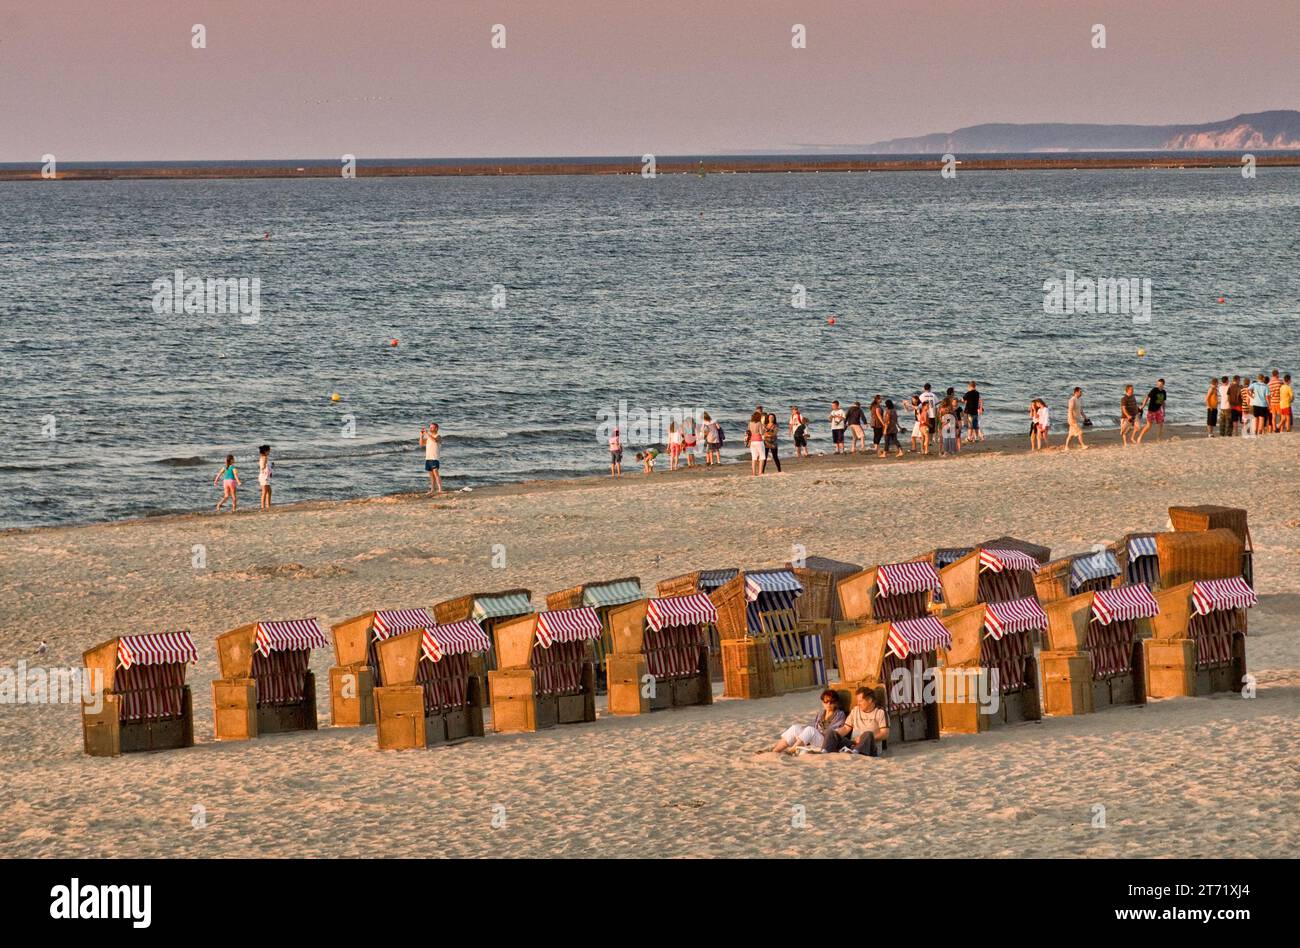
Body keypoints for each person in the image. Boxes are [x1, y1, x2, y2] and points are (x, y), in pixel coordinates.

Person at [767, 690, 846, 754]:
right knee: (795, 728)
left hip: (827, 741)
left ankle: (791, 750)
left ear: (836, 703)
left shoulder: (840, 714)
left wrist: (811, 734)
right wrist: (804, 736)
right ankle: (775, 750)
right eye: (826, 701)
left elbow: (833, 732)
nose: (828, 704)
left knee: (810, 730)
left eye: (831, 702)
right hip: (817, 738)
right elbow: (815, 727)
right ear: (823, 702)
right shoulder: (821, 714)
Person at [825, 687, 890, 756]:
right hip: (853, 744)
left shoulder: (880, 712)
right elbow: (846, 728)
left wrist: (863, 739)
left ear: (870, 700)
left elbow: (885, 734)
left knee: (868, 734)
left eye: (860, 701)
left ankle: (855, 752)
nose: (858, 703)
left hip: (870, 747)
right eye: (857, 701)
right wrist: (835, 736)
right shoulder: (855, 710)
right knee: (831, 732)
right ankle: (824, 751)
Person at [1137, 379, 1167, 443]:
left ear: (1163, 385)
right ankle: (1140, 437)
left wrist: (1164, 411)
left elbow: (1163, 402)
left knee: (1161, 424)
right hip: (1151, 410)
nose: (1159, 385)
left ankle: (1158, 439)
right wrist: (1143, 406)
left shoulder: (1164, 392)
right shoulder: (1154, 390)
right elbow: (1147, 397)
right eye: (1158, 384)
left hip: (1158, 410)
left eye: (1160, 384)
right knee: (1148, 425)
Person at [419, 423, 443, 494]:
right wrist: (422, 435)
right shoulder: (429, 438)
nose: (431, 429)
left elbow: (435, 440)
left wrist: (427, 433)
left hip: (434, 458)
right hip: (428, 458)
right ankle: (432, 489)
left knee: (436, 473)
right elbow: (421, 444)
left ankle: (440, 489)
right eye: (430, 427)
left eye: (432, 427)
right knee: (431, 475)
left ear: (436, 428)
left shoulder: (438, 436)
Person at [746, 410, 765, 476]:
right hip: (759, 441)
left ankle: (753, 473)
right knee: (762, 457)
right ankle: (760, 472)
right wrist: (764, 428)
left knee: (754, 458)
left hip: (752, 441)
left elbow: (748, 432)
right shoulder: (759, 423)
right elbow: (761, 432)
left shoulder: (750, 423)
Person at [257, 444, 274, 510]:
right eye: (269, 451)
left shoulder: (262, 457)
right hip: (264, 476)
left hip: (264, 476)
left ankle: (268, 505)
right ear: (265, 451)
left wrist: (270, 467)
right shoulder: (264, 458)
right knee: (265, 491)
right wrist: (269, 466)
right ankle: (263, 506)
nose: (269, 452)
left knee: (269, 491)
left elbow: (265, 467)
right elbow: (263, 467)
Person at [1267, 369, 1283, 433]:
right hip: (1279, 401)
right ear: (1277, 374)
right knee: (1281, 416)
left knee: (1273, 416)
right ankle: (1280, 429)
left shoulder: (1269, 384)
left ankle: (1274, 428)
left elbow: (1268, 394)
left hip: (1272, 402)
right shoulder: (1280, 382)